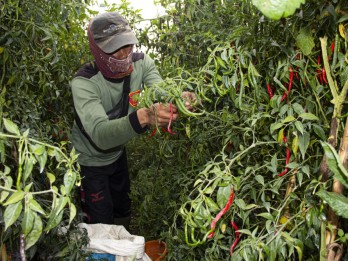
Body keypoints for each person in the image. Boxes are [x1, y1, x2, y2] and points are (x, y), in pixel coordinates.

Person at [70, 11, 196, 229]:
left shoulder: (141, 63)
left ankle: (124, 240)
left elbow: (160, 90)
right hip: (90, 162)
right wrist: (145, 116)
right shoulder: (84, 82)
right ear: (97, 51)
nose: (124, 53)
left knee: (122, 207)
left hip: (118, 153)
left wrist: (180, 98)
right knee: (101, 221)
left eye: (128, 45)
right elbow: (100, 134)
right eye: (115, 48)